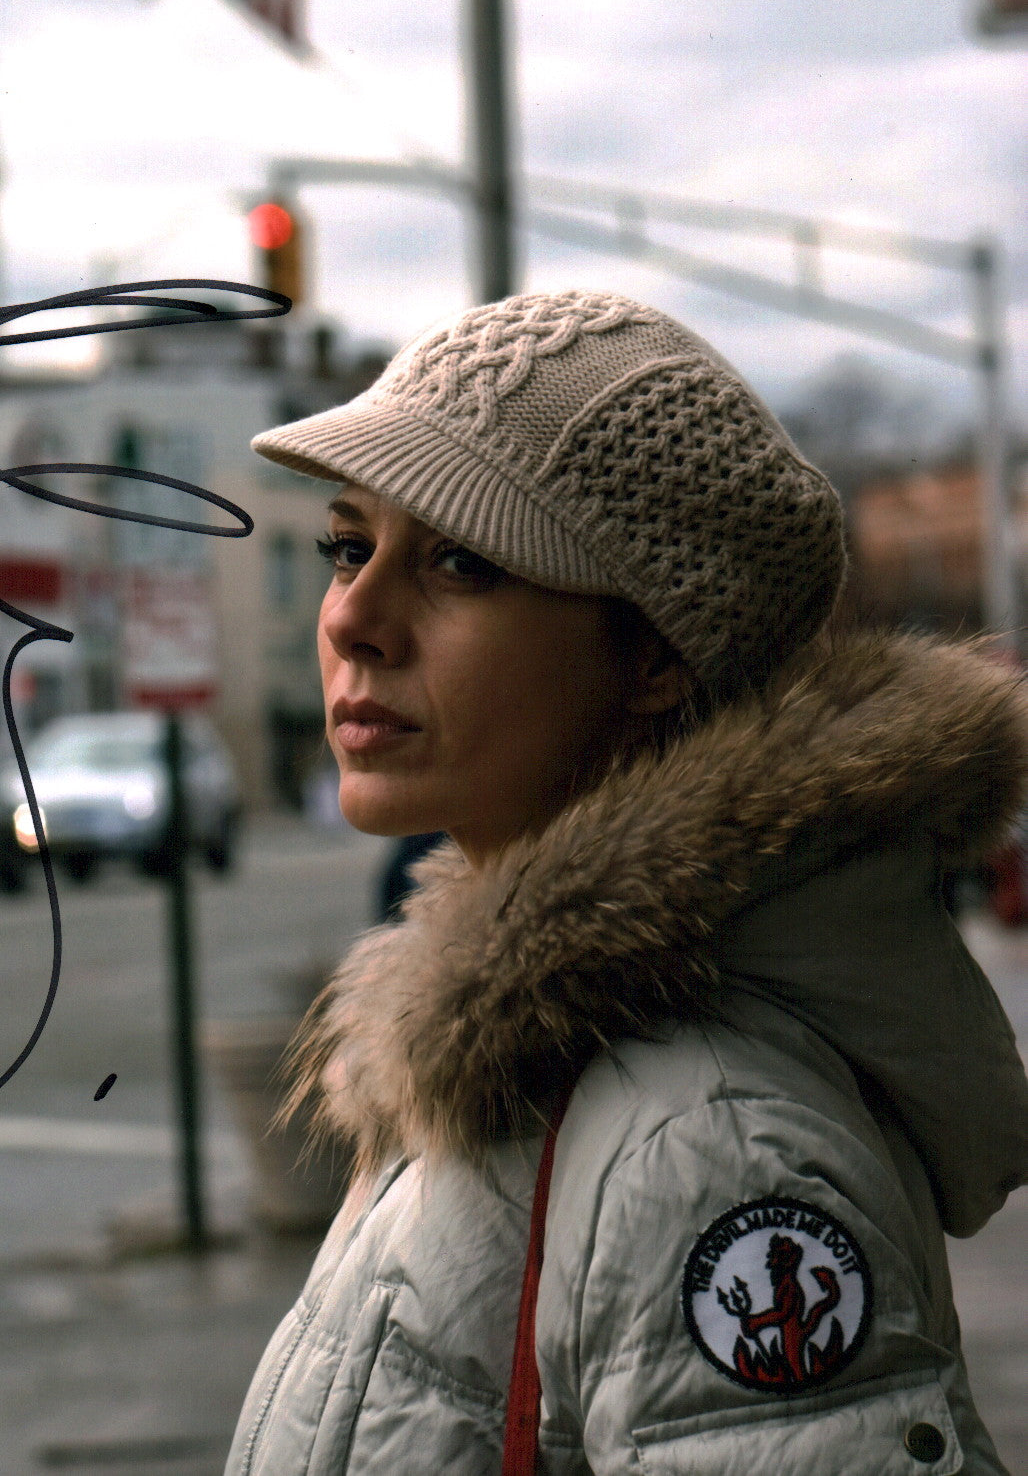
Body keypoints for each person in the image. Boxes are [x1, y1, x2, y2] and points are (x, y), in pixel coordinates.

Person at [225, 290, 1028, 1474]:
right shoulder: (525, 1059)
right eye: (350, 545)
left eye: (458, 560)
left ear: (653, 652)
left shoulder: (705, 1151)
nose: (355, 617)